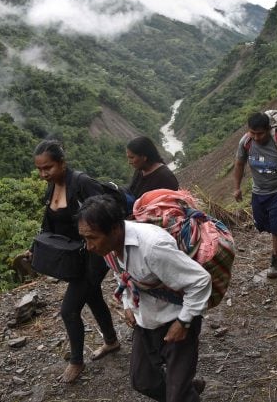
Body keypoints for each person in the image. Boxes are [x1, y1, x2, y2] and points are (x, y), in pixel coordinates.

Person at [78, 195, 211, 402]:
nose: (88, 246)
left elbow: (200, 281)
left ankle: (183, 393)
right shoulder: (109, 247)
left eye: (92, 238)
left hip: (176, 317)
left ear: (114, 229)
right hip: (147, 318)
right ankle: (187, 389)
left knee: (178, 396)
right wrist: (128, 303)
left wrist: (184, 322)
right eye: (85, 238)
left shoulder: (153, 247)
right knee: (142, 381)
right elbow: (121, 274)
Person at [30, 139, 120, 383]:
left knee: (69, 310)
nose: (43, 174)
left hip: (94, 256)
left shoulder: (81, 183)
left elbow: (108, 212)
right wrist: (34, 249)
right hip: (74, 258)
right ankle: (111, 341)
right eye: (39, 169)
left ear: (62, 163)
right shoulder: (51, 187)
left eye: (47, 168)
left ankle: (76, 361)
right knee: (93, 297)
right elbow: (49, 223)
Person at [233, 112, 277, 278]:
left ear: (269, 129)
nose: (256, 137)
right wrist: (236, 187)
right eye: (253, 133)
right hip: (258, 192)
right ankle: (274, 240)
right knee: (261, 224)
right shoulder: (246, 142)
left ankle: (275, 258)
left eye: (260, 133)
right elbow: (239, 164)